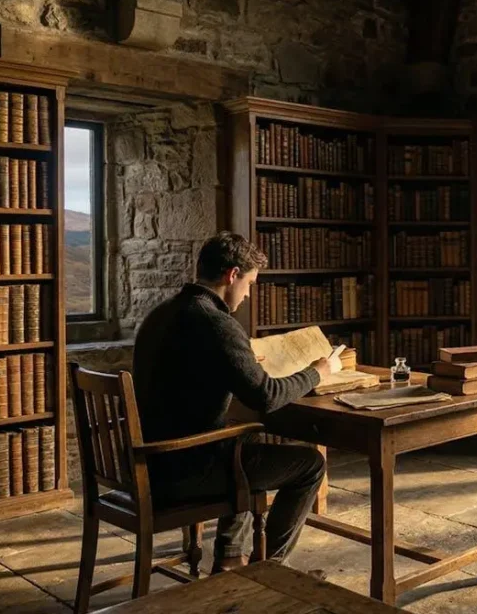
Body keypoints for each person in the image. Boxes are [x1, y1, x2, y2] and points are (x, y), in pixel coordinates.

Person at [132, 231, 331, 570]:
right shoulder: (215, 322)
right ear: (232, 275)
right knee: (310, 465)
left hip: (148, 461)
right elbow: (266, 397)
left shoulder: (163, 312)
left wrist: (244, 365)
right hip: (182, 469)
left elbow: (193, 371)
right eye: (250, 284)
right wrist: (317, 373)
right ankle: (268, 570)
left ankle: (228, 554)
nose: (248, 295)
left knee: (242, 438)